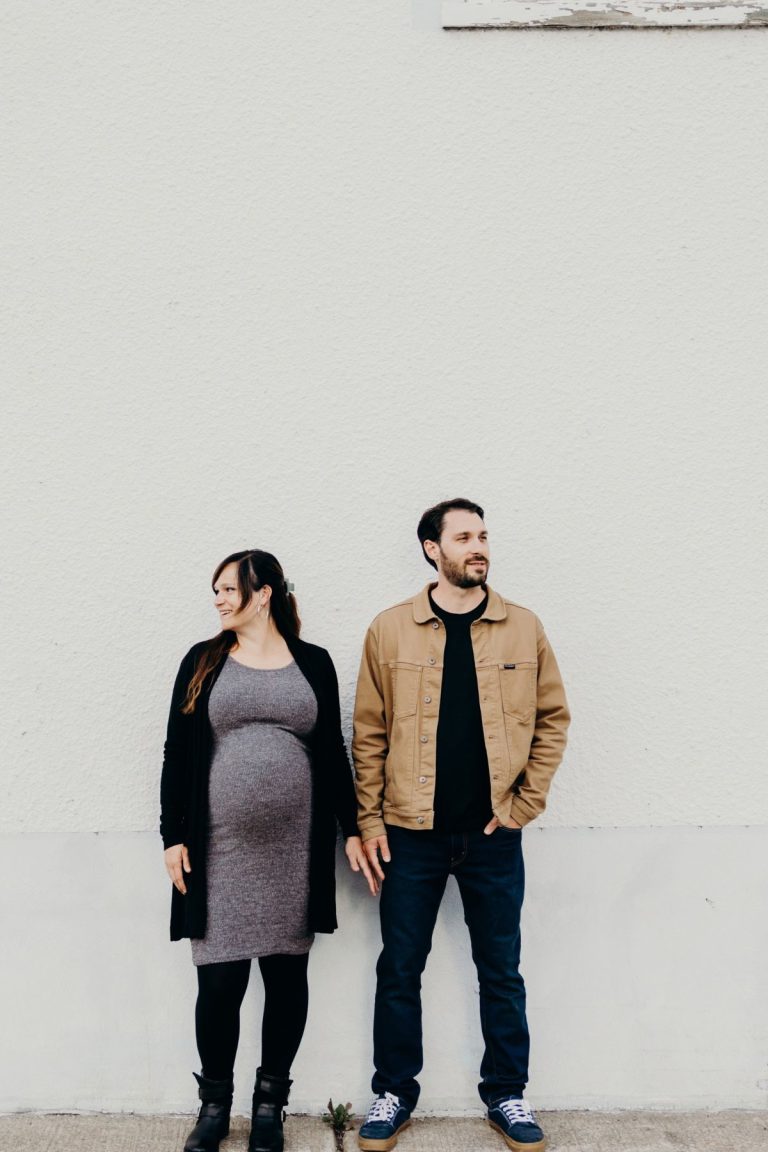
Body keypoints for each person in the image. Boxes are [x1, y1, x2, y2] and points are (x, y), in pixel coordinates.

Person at [352, 499, 570, 1152]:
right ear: (432, 548)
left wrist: (523, 805)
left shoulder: (522, 627)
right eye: (464, 537)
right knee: (399, 969)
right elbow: (368, 734)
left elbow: (553, 719)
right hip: (409, 834)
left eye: (483, 536)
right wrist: (369, 821)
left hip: (493, 837)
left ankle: (507, 1094)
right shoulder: (389, 630)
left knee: (501, 970)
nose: (479, 547)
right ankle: (394, 1093)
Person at [160, 549, 374, 1152]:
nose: (219, 600)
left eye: (229, 589)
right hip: (219, 852)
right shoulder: (203, 660)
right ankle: (214, 1108)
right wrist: (172, 836)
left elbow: (332, 753)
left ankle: (269, 1107)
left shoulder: (313, 662)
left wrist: (353, 827)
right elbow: (177, 751)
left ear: (264, 595)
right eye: (217, 590)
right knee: (219, 985)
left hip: (293, 853)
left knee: (286, 979)